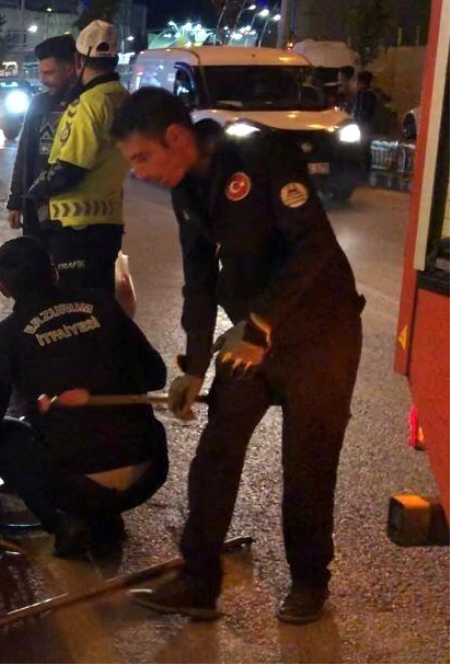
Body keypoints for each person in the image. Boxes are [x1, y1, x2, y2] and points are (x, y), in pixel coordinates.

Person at [111, 88, 365, 624]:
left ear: (175, 138)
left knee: (308, 464)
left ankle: (309, 583)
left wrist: (262, 320)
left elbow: (314, 245)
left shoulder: (258, 154)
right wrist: (197, 364)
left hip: (321, 336)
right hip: (253, 337)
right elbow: (200, 281)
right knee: (217, 451)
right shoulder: (186, 187)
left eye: (141, 158)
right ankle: (199, 581)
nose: (139, 173)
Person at [0, 236, 170, 558]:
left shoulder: (8, 337)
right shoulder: (103, 304)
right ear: (54, 272)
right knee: (97, 434)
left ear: (3, 289)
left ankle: (64, 523)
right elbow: (157, 375)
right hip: (149, 470)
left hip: (79, 485)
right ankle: (104, 516)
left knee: (2, 434)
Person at [25, 21, 129, 293]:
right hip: (110, 223)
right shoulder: (124, 99)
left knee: (71, 306)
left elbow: (69, 168)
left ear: (78, 60)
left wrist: (34, 194)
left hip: (74, 229)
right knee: (100, 303)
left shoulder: (87, 104)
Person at [8, 35, 80, 239]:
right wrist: (16, 201)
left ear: (70, 68)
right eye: (41, 72)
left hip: (70, 216)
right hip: (36, 209)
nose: (43, 79)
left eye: (49, 73)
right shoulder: (38, 104)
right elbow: (25, 155)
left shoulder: (83, 104)